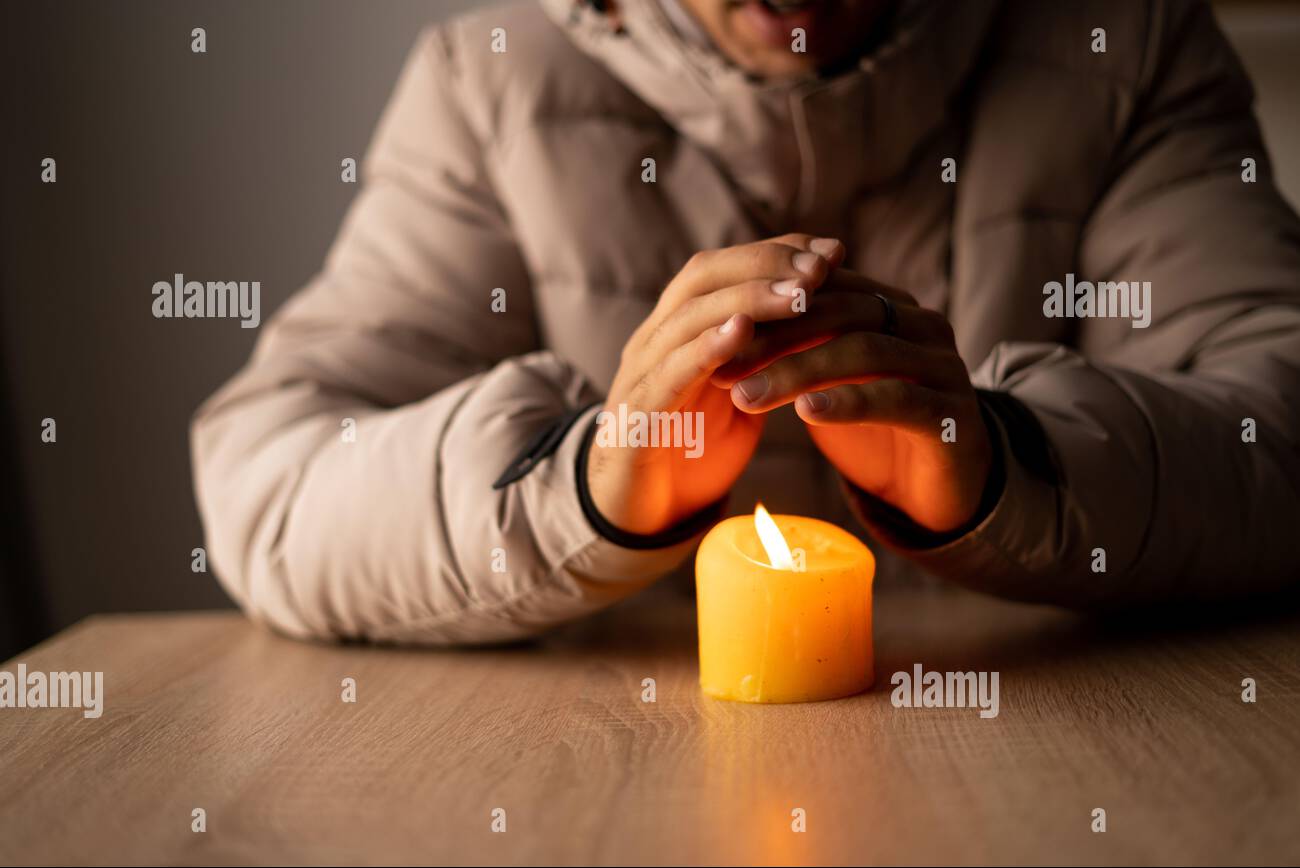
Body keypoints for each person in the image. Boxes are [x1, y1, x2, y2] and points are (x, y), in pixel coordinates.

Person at [192, 0, 1300, 644]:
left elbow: (1280, 419)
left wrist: (1008, 468)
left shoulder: (1126, 45)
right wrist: (581, 488)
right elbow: (267, 478)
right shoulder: (494, 87)